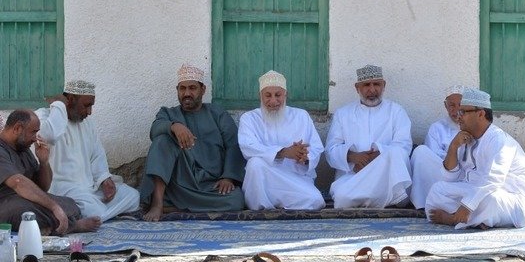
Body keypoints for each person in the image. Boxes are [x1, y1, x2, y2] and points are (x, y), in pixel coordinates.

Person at [139, 64, 246, 221]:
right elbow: (154, 129)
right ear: (177, 90)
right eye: (182, 89)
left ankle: (174, 207)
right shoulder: (168, 113)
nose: (187, 93)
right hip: (180, 182)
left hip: (210, 185)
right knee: (161, 139)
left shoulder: (217, 113)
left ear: (203, 90)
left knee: (236, 200)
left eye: (192, 88)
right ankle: (158, 204)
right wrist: (174, 126)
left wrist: (228, 177)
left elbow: (233, 144)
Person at [425, 87, 525, 229]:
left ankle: (454, 219)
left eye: (463, 112)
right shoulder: (465, 137)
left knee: (489, 199)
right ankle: (476, 219)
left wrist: (467, 206)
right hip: (476, 191)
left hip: (511, 199)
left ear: (481, 114)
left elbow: (493, 180)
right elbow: (451, 179)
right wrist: (453, 147)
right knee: (438, 189)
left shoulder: (498, 140)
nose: (458, 116)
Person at [35, 80, 140, 222]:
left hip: (89, 189)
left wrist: (104, 179)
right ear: (70, 100)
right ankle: (95, 216)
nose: (89, 112)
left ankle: (94, 216)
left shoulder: (87, 123)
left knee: (133, 196)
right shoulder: (44, 116)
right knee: (93, 211)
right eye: (86, 106)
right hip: (64, 191)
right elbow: (50, 136)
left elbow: (96, 154)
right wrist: (59, 105)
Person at [0, 109, 101, 235]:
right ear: (18, 128)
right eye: (33, 132)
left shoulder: (23, 148)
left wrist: (44, 162)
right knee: (27, 211)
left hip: (23, 199)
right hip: (5, 205)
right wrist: (54, 207)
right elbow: (18, 182)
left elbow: (43, 187)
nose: (35, 138)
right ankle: (71, 226)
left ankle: (47, 229)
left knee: (70, 204)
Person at [325, 64, 413, 208]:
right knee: (342, 197)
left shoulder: (396, 111)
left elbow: (403, 146)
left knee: (395, 153)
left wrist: (376, 158)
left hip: (386, 177)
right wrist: (353, 157)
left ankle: (377, 198)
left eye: (376, 84)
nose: (372, 90)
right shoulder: (343, 114)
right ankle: (378, 200)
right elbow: (331, 150)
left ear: (383, 85)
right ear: (357, 87)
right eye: (366, 85)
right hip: (353, 176)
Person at [238, 70, 325, 210]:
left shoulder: (301, 116)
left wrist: (304, 157)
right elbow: (248, 147)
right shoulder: (249, 118)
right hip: (264, 179)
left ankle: (279, 206)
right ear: (260, 96)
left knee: (316, 201)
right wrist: (284, 152)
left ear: (286, 95)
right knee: (255, 163)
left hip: (294, 178)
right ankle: (262, 209)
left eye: (278, 95)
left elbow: (316, 147)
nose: (273, 101)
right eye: (268, 95)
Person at [409, 85, 463, 209]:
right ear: (446, 106)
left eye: (460, 105)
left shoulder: (473, 125)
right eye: (452, 105)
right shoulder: (437, 128)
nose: (456, 110)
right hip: (444, 173)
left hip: (467, 174)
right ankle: (422, 204)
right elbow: (432, 157)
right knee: (420, 152)